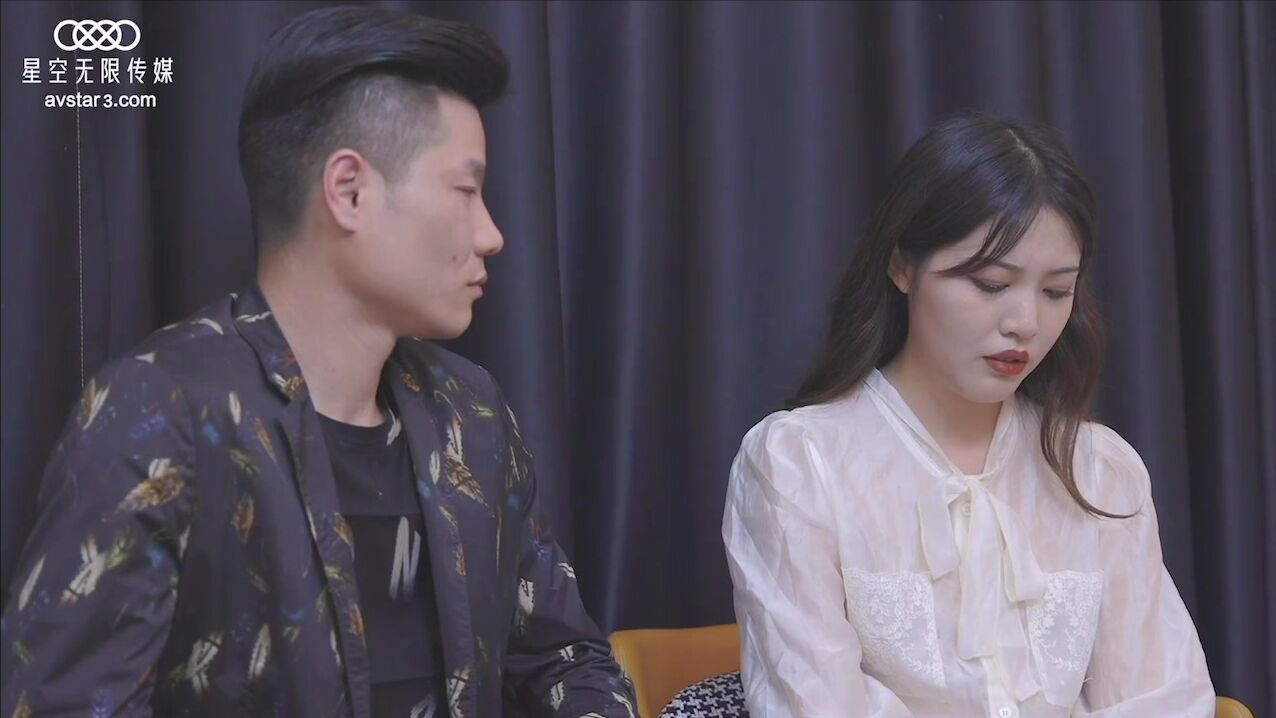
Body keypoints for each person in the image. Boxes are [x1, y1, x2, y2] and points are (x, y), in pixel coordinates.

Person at [0, 6, 635, 717]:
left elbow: (566, 659)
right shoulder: (156, 415)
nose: (491, 234)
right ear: (350, 191)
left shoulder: (472, 416)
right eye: (465, 191)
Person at [722, 111, 1215, 717]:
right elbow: (814, 705)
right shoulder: (799, 465)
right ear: (902, 266)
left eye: (1056, 291)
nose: (1025, 323)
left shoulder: (1098, 469)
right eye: (990, 284)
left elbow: (1163, 696)